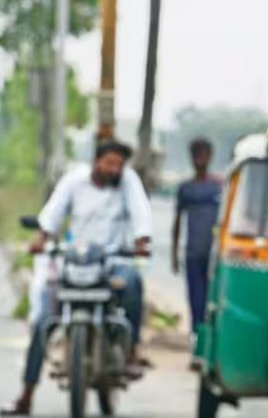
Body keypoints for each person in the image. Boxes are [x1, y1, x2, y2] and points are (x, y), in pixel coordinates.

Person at [2, 141, 152, 416]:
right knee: (44, 319)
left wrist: (142, 239)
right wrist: (41, 238)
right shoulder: (75, 181)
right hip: (74, 260)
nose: (114, 169)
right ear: (96, 161)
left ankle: (130, 351)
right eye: (109, 163)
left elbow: (141, 210)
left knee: (132, 282)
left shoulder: (127, 182)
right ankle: (26, 395)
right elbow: (53, 213)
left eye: (119, 164)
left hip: (113, 261)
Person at [172, 138, 222, 335]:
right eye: (196, 155)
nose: (199, 160)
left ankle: (212, 340)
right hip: (193, 253)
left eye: (203, 155)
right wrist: (173, 255)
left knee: (214, 299)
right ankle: (197, 340)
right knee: (195, 299)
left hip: (216, 254)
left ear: (210, 157)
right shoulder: (186, 188)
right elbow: (177, 222)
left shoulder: (220, 186)